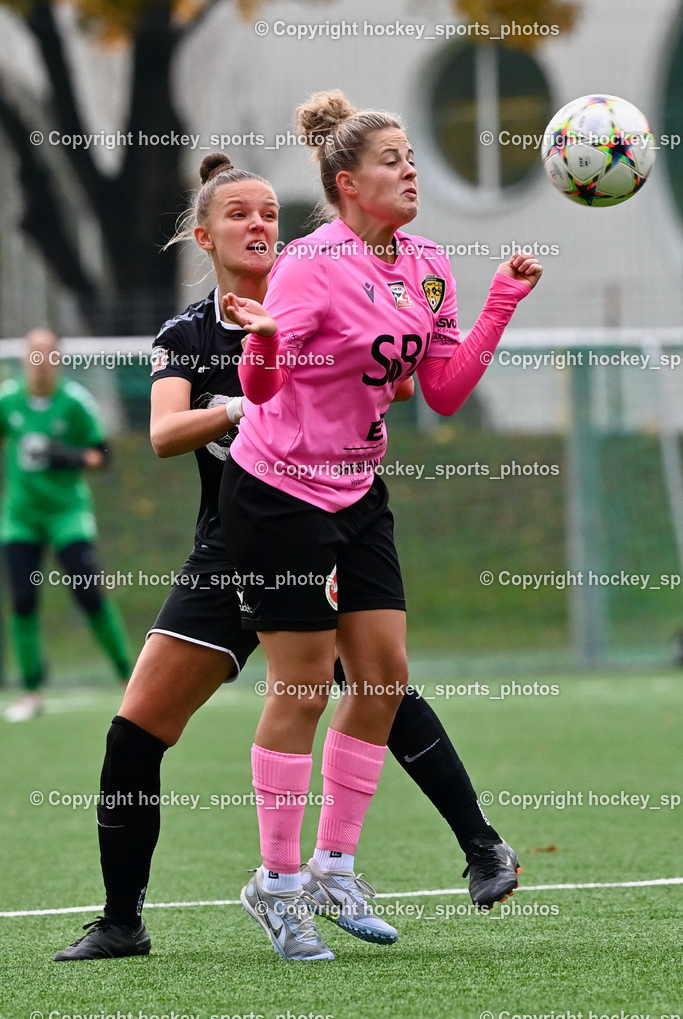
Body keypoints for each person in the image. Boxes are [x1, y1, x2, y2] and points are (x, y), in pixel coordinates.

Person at [53, 151, 521, 962]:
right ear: (204, 235)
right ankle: (123, 921)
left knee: (383, 684)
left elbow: (407, 380)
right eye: (238, 213)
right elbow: (164, 433)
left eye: (269, 211)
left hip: (327, 518)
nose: (259, 224)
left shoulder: (341, 282)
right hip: (234, 545)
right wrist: (243, 397)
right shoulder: (189, 334)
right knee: (136, 734)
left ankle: (471, 848)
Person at [220, 90, 542, 961]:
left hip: (356, 490)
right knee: (300, 686)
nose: (409, 170)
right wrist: (259, 346)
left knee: (384, 677)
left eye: (409, 156)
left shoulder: (428, 262)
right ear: (346, 183)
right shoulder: (308, 262)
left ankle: (332, 868)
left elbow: (439, 390)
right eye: (392, 159)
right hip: (277, 491)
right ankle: (276, 886)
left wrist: (501, 300)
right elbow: (261, 389)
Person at [0, 329, 131, 722]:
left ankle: (131, 678)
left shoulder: (74, 403)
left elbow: (102, 453)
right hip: (20, 518)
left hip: (67, 515)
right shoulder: (8, 400)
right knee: (23, 600)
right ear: (24, 359)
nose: (39, 361)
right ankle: (31, 691)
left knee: (89, 594)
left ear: (57, 360)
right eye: (32, 353)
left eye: (47, 354)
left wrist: (68, 456)